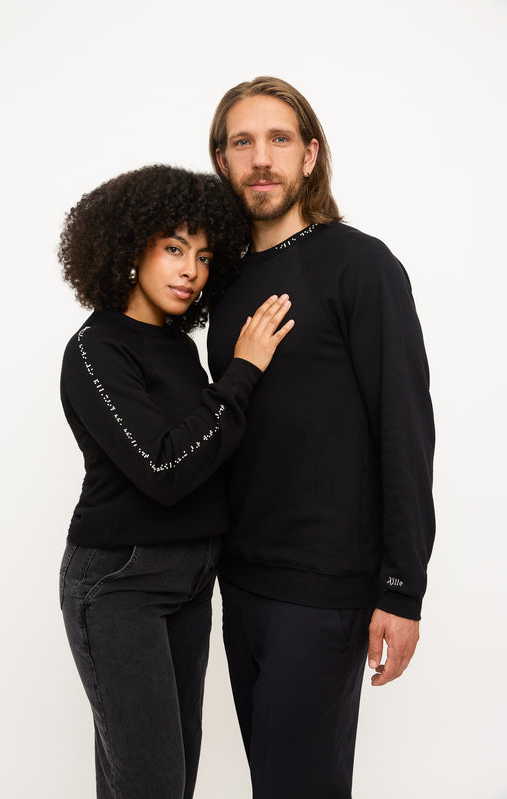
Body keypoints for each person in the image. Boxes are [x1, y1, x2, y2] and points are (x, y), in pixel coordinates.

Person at [207, 77, 435, 798]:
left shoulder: (359, 265)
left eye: (278, 139)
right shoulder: (224, 283)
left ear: (310, 156)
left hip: (323, 590)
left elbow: (404, 426)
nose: (261, 158)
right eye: (242, 142)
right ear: (221, 161)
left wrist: (402, 588)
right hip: (239, 582)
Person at [58, 164, 294, 799]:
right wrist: (243, 372)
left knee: (167, 780)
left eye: (204, 255)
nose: (191, 269)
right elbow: (165, 468)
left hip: (192, 578)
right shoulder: (96, 349)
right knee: (153, 784)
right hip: (120, 582)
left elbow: (212, 451)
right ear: (129, 248)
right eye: (173, 248)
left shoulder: (181, 350)